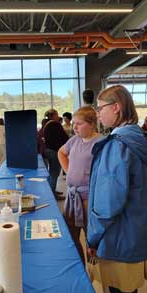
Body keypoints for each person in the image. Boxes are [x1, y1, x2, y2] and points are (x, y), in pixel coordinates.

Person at [87, 85, 147, 293]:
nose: (97, 114)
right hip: (133, 234)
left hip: (118, 237)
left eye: (100, 108)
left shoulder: (118, 145)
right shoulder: (136, 138)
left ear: (116, 107)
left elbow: (107, 204)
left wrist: (92, 238)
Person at [58, 107, 101, 263]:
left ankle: (94, 270)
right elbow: (61, 153)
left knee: (92, 238)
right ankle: (79, 266)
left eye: (79, 123)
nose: (74, 127)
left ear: (91, 124)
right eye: (74, 123)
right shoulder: (74, 140)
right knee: (71, 236)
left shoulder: (101, 142)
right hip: (72, 197)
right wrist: (69, 171)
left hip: (89, 199)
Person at [43, 108, 68, 199]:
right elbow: (63, 137)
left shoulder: (46, 124)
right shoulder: (55, 125)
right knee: (54, 173)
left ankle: (52, 190)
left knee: (52, 172)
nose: (58, 116)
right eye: (57, 114)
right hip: (55, 151)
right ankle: (52, 194)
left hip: (48, 150)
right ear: (53, 115)